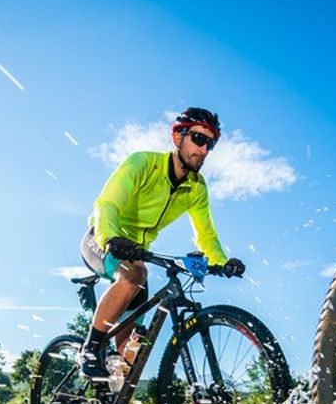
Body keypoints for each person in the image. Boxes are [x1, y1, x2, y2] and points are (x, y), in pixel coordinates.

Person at [79, 107, 245, 381]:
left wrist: (221, 262)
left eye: (210, 144)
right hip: (102, 239)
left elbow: (206, 236)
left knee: (130, 350)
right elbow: (106, 203)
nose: (204, 150)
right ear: (177, 137)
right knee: (135, 275)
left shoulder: (196, 188)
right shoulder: (143, 164)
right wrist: (110, 237)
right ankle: (91, 347)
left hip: (135, 253)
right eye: (198, 139)